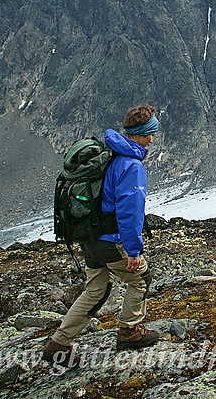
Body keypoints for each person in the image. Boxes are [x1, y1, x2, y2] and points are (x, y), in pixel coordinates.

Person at [42, 104, 160, 366]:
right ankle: (130, 330)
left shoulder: (109, 154)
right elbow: (130, 214)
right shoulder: (131, 166)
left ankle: (58, 344)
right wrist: (133, 251)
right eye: (150, 133)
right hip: (110, 238)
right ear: (139, 134)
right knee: (140, 278)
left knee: (96, 289)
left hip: (88, 236)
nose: (152, 139)